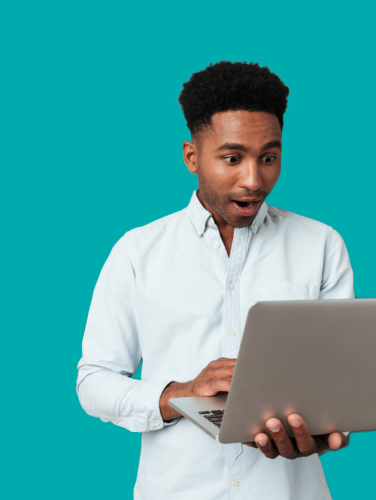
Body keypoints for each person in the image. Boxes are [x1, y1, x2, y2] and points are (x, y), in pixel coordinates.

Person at [77, 61, 354, 499]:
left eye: (269, 157)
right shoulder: (137, 251)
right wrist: (179, 395)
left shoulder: (321, 245)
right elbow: (93, 381)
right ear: (192, 157)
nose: (254, 180)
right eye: (232, 158)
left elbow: (339, 378)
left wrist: (329, 423)